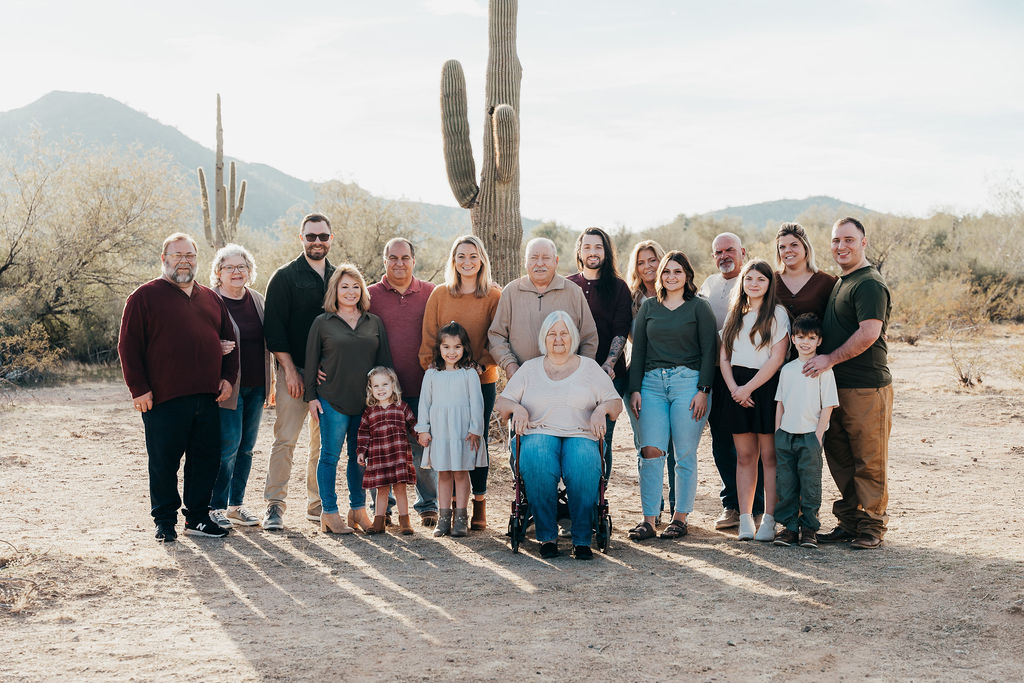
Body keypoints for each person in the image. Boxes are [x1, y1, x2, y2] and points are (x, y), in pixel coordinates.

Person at [117, 232, 237, 541]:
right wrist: (138, 389)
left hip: (207, 396)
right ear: (164, 259)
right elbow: (128, 346)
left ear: (197, 260)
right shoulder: (144, 297)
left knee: (205, 460)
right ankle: (165, 521)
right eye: (177, 255)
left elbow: (230, 341)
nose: (184, 261)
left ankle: (196, 518)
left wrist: (228, 377)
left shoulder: (211, 298)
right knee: (164, 462)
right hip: (163, 397)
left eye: (190, 256)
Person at [495, 311, 622, 560]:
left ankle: (582, 539)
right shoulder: (530, 369)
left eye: (564, 333)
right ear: (544, 338)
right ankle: (547, 537)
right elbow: (503, 403)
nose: (558, 338)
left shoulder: (589, 368)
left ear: (572, 337)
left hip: (581, 433)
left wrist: (601, 409)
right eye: (552, 333)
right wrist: (517, 407)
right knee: (538, 457)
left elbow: (615, 405)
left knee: (583, 461)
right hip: (539, 432)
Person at [803, 217, 893, 550]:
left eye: (849, 240)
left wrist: (829, 359)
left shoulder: (868, 283)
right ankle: (849, 520)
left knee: (868, 458)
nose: (842, 246)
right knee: (840, 456)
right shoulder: (843, 281)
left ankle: (871, 526)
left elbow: (869, 332)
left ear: (864, 243)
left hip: (866, 386)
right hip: (834, 388)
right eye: (836, 240)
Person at [626, 251, 717, 541]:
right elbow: (637, 350)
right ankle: (649, 519)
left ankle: (679, 518)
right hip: (651, 384)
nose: (671, 276)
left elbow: (709, 351)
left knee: (685, 452)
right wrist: (636, 388)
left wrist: (703, 390)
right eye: (667, 271)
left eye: (678, 271)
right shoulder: (649, 307)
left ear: (687, 275)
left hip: (688, 385)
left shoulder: (699, 308)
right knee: (650, 451)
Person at [419, 235, 502, 530]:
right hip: (444, 379)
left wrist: (480, 365)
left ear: (482, 261)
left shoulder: (493, 295)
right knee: (446, 439)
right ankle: (450, 508)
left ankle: (477, 503)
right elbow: (429, 336)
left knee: (474, 439)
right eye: (461, 256)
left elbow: (498, 338)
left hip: (480, 380)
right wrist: (433, 367)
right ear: (453, 260)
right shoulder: (440, 294)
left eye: (473, 256)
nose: (467, 262)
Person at [262, 212, 336, 530]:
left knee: (321, 443)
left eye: (322, 236)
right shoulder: (284, 277)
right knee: (286, 440)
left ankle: (316, 504)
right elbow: (274, 330)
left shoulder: (338, 277)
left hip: (327, 377)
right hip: (294, 372)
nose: (316, 242)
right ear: (301, 238)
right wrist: (290, 372)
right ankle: (275, 505)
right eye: (310, 236)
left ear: (331, 239)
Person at [305, 264, 392, 535]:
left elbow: (384, 363)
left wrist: (386, 399)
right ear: (335, 290)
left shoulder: (373, 322)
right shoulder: (322, 322)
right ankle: (329, 513)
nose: (351, 291)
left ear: (362, 290)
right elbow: (310, 362)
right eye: (345, 286)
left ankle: (358, 509)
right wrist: (311, 398)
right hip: (332, 399)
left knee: (360, 458)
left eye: (356, 286)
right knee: (329, 456)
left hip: (366, 403)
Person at [719, 259, 790, 541]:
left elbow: (777, 357)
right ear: (742, 282)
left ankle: (770, 519)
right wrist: (736, 388)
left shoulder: (778, 314)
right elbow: (723, 356)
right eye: (749, 279)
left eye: (760, 279)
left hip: (764, 386)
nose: (754, 284)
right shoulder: (735, 313)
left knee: (769, 457)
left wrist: (748, 388)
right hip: (736, 388)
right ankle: (746, 518)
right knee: (745, 457)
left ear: (770, 284)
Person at [368, 237, 437, 527]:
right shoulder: (370, 294)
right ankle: (382, 509)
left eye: (404, 257)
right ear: (385, 261)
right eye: (393, 258)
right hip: (382, 392)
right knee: (379, 448)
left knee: (421, 445)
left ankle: (428, 504)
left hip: (422, 386)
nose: (399, 263)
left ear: (413, 260)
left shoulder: (431, 293)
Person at [698, 232, 765, 529]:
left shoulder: (754, 281)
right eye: (718, 252)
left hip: (750, 373)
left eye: (730, 250)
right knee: (722, 439)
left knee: (754, 440)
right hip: (716, 372)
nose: (724, 256)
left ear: (743, 251)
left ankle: (759, 506)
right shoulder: (709, 285)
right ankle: (731, 505)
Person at [208, 244, 273, 529]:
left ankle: (236, 505)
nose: (236, 272)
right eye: (229, 267)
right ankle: (215, 507)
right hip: (227, 388)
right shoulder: (210, 301)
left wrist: (271, 383)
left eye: (241, 267)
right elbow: (195, 337)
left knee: (247, 448)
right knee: (227, 447)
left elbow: (267, 344)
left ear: (249, 271)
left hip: (257, 386)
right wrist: (213, 346)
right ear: (218, 272)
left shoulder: (257, 300)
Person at [567, 227, 633, 475]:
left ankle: (598, 498)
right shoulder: (568, 285)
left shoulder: (618, 288)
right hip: (572, 375)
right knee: (574, 436)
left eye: (598, 247)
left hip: (609, 376)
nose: (592, 252)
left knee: (601, 437)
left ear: (606, 251)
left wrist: (608, 364)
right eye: (587, 247)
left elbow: (620, 331)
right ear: (579, 251)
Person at [772, 313, 839, 549]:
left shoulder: (824, 370)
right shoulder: (787, 369)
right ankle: (789, 528)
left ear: (819, 341)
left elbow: (828, 405)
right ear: (792, 339)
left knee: (810, 484)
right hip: (786, 436)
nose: (805, 342)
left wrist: (818, 435)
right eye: (800, 337)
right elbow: (780, 402)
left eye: (811, 338)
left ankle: (809, 528)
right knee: (787, 484)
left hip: (810, 436)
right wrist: (778, 431)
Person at [488, 237, 599, 378]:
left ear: (556, 261)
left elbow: (589, 337)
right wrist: (510, 365)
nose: (539, 263)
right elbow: (496, 335)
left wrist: (582, 371)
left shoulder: (573, 292)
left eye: (546, 258)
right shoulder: (511, 292)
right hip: (522, 378)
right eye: (534, 258)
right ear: (525, 262)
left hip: (567, 379)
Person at [416, 322, 487, 537]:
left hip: (462, 431)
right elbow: (424, 403)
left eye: (457, 347)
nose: (451, 352)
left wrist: (476, 429)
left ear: (464, 347)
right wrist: (423, 429)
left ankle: (461, 518)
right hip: (440, 432)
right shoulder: (432, 374)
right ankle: (444, 518)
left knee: (460, 472)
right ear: (439, 348)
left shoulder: (469, 374)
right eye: (446, 347)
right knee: (444, 473)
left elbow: (477, 403)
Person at [624, 240, 676, 515]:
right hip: (641, 376)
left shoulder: (676, 293)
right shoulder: (632, 300)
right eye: (641, 262)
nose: (648, 267)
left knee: (674, 444)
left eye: (653, 260)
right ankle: (653, 506)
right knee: (645, 443)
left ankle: (678, 505)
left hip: (676, 376)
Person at [357, 367, 418, 535]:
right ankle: (379, 522)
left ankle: (405, 521)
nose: (381, 389)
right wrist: (361, 452)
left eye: (385, 384)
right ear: (370, 389)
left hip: (398, 454)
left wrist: (421, 436)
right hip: (378, 456)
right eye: (376, 386)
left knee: (400, 489)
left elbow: (413, 424)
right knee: (381, 489)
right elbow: (363, 433)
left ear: (393, 385)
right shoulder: (369, 412)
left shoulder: (401, 407)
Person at [774, 222, 837, 320]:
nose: (787, 250)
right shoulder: (770, 281)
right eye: (782, 247)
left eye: (794, 245)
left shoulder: (827, 282)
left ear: (806, 248)